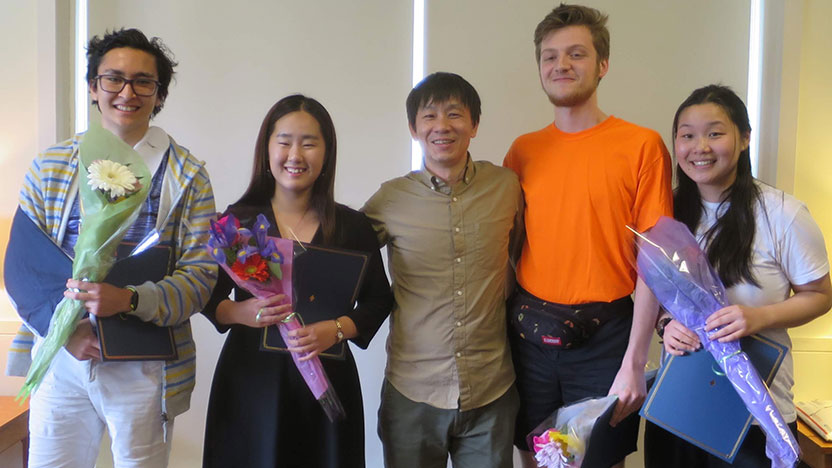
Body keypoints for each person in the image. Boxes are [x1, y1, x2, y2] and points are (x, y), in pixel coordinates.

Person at [6, 28, 218, 467]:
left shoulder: (188, 175)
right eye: (113, 78)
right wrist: (66, 333)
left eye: (144, 81)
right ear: (93, 86)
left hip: (145, 357)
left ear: (158, 95)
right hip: (62, 351)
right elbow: (23, 266)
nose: (128, 91)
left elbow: (200, 276)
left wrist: (131, 299)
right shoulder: (52, 164)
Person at [502, 4, 673, 467]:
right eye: (549, 56)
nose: (561, 65)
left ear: (602, 65)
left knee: (597, 460)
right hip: (530, 333)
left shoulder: (642, 146)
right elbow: (508, 250)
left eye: (576, 53)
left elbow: (654, 262)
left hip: (608, 338)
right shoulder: (522, 152)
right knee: (536, 457)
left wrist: (635, 360)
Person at [643, 85, 832, 467]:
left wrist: (757, 317)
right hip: (682, 403)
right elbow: (658, 294)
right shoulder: (665, 213)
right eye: (687, 135)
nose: (700, 147)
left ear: (744, 138)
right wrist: (667, 325)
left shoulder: (783, 214)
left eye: (715, 133)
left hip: (757, 412)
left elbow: (821, 294)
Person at [201, 94, 393, 468]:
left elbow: (379, 301)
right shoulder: (237, 222)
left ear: (326, 154)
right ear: (267, 149)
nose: (295, 154)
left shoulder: (352, 226)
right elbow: (207, 298)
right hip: (250, 383)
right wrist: (242, 312)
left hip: (327, 381)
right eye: (284, 141)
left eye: (309, 143)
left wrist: (336, 329)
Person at [362, 72, 524, 468]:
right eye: (429, 116)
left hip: (491, 390)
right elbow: (345, 258)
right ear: (414, 128)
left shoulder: (506, 187)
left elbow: (522, 258)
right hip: (412, 392)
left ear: (474, 124)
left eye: (454, 114)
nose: (442, 126)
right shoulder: (390, 198)